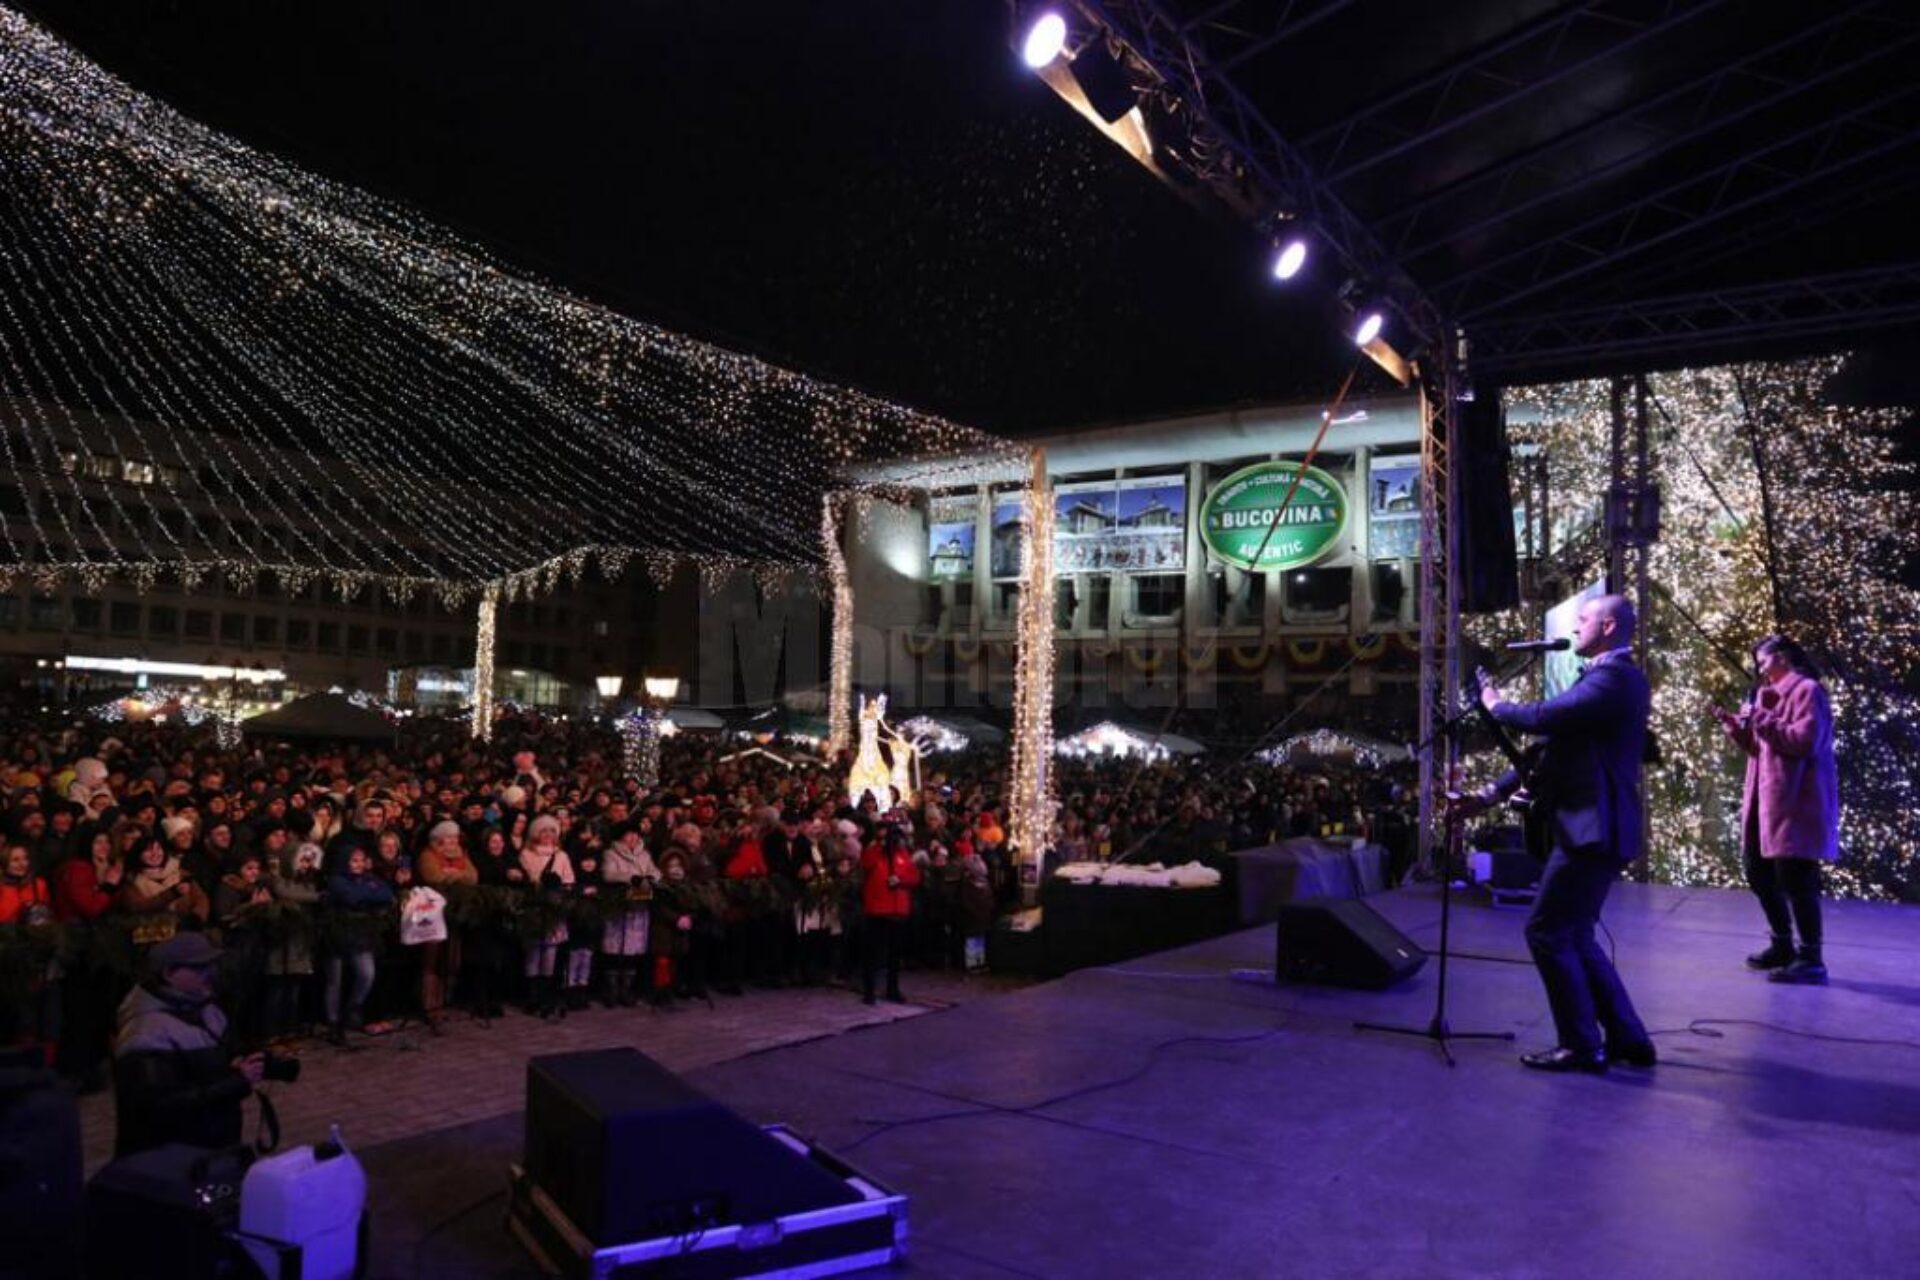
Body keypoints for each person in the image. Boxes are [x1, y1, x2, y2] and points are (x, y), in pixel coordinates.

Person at [1472, 594, 1656, 1074]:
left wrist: (1497, 705)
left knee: (1547, 930)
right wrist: (1489, 794)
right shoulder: (1602, 681)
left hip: (1593, 827)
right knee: (1575, 933)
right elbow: (1547, 750)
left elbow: (1544, 718)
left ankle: (1580, 1044)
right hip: (1592, 826)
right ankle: (1628, 1037)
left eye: (1583, 619)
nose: (1575, 627)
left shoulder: (1616, 679)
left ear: (1609, 626)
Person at [1713, 634, 1840, 984]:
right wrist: (1735, 726)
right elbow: (1760, 747)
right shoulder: (1765, 694)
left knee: (1796, 878)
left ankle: (1811, 958)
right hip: (1765, 801)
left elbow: (1804, 741)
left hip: (1796, 802)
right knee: (1757, 871)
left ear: (1782, 657)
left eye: (1764, 660)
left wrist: (1762, 718)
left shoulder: (1807, 691)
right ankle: (1782, 943)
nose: (1760, 668)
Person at [111, 932, 266, 1158]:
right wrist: (237, 1081)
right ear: (168, 973)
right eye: (198, 967)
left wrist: (253, 1060)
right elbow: (160, 1109)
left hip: (213, 1150)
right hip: (171, 1161)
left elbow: (222, 1056)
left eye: (211, 965)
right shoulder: (146, 1031)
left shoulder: (207, 1009)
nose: (210, 973)